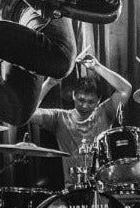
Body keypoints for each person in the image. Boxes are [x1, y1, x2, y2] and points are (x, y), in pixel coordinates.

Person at [30, 54, 133, 188]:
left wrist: (97, 67)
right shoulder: (59, 118)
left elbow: (126, 89)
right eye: (81, 100)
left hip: (103, 190)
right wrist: (49, 83)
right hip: (72, 191)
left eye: (90, 102)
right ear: (73, 95)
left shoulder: (105, 112)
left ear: (98, 100)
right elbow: (29, 113)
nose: (84, 106)